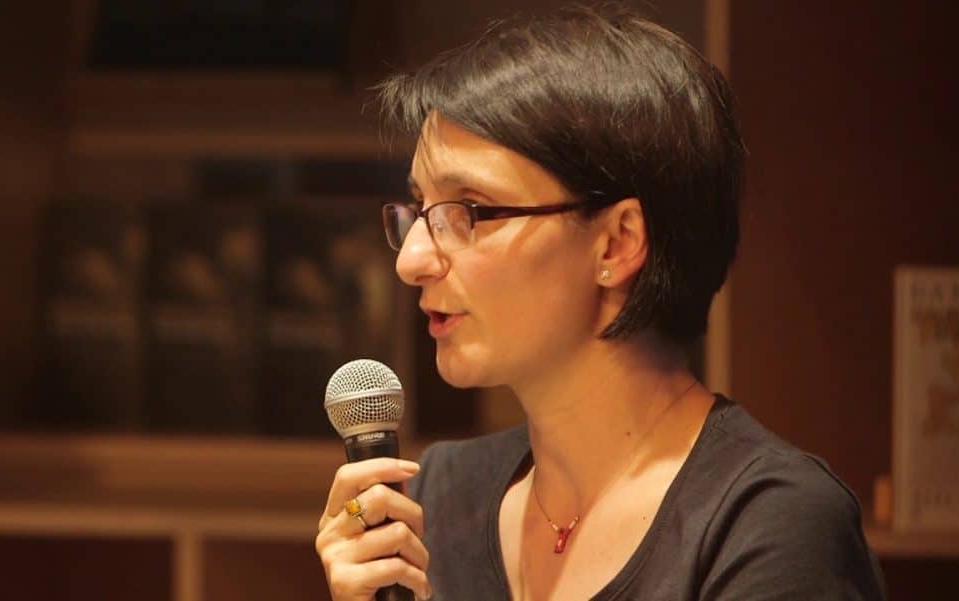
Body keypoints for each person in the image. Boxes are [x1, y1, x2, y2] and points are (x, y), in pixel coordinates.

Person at [315, 4, 886, 600]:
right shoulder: (439, 495)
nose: (411, 261)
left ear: (617, 241)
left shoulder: (769, 525)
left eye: (468, 211)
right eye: (420, 210)